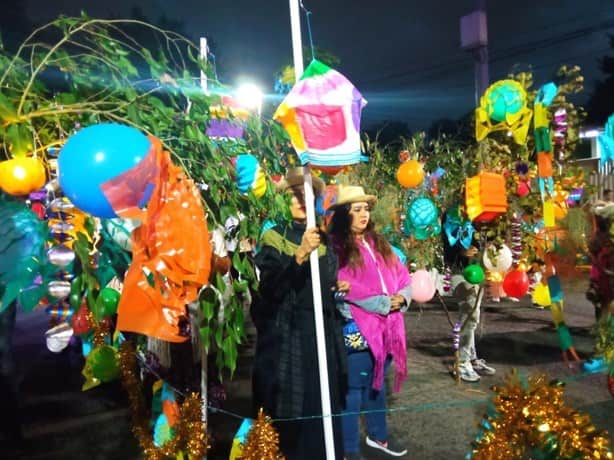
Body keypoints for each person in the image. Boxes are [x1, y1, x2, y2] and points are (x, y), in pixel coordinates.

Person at [250, 168, 347, 460]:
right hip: (289, 337)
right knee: (292, 409)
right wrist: (300, 255)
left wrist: (335, 287)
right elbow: (271, 291)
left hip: (322, 335)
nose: (300, 200)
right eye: (293, 194)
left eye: (306, 194)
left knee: (323, 406)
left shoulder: (325, 239)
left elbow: (323, 284)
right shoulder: (274, 237)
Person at [328, 185, 411, 460]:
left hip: (387, 330)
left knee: (377, 385)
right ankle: (348, 449)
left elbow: (402, 275)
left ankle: (379, 437)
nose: (364, 214)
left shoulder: (378, 242)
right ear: (343, 214)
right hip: (358, 329)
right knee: (352, 391)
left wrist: (403, 297)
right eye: (357, 209)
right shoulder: (336, 248)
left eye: (366, 209)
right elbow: (344, 288)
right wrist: (385, 304)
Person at [442, 211, 496, 383]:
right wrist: (461, 252)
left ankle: (471, 357)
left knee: (474, 313)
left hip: (477, 271)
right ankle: (462, 362)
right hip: (460, 271)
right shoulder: (452, 217)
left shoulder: (479, 215)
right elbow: (447, 246)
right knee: (469, 314)